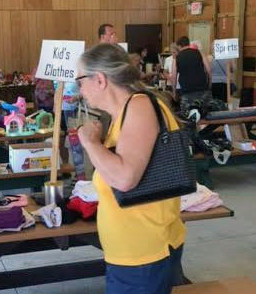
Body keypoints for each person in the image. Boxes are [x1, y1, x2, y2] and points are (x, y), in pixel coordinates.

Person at [77, 43, 186, 294]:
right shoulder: (125, 112)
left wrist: (90, 143)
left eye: (80, 81)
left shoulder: (139, 107)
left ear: (100, 80)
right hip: (134, 252)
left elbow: (125, 179)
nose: (79, 90)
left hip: (143, 254)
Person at [172, 36, 211, 116]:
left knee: (188, 118)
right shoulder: (199, 52)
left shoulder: (177, 58)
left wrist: (174, 92)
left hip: (187, 93)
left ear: (179, 46)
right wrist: (209, 84)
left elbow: (174, 77)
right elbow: (209, 70)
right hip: (203, 91)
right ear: (188, 43)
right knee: (206, 116)